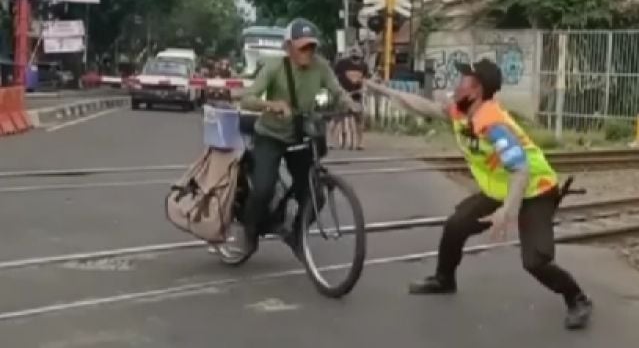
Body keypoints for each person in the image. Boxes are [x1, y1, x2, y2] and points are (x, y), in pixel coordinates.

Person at [365, 58, 593, 330]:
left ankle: (577, 298)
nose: (455, 85)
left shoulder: (493, 124)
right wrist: (382, 90)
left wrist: (507, 211)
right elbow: (425, 106)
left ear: (475, 91)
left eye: (462, 80)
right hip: (499, 189)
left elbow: (520, 170)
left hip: (535, 190)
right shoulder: (461, 111)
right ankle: (444, 279)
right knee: (456, 225)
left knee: (535, 261)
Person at [234, 18, 357, 256]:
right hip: (270, 135)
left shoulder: (321, 67)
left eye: (311, 47)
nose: (308, 52)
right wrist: (272, 104)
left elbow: (336, 90)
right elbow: (247, 98)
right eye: (302, 47)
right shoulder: (274, 67)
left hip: (300, 137)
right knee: (263, 189)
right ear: (288, 47)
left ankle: (296, 234)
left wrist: (349, 104)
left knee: (315, 195)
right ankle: (249, 231)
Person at [332, 46, 369, 150]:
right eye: (354, 57)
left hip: (356, 95)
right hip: (343, 95)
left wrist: (363, 90)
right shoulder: (342, 64)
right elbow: (334, 78)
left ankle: (360, 143)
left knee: (359, 119)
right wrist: (339, 91)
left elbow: (364, 80)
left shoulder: (363, 65)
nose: (356, 60)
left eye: (357, 57)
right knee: (337, 119)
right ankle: (334, 142)